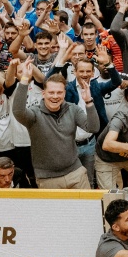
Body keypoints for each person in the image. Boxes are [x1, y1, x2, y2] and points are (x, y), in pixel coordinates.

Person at [13, 59, 100, 188]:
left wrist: (89, 102)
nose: (55, 96)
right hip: (48, 179)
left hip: (76, 173)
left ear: (64, 94)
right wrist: (25, 79)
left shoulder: (73, 109)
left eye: (59, 92)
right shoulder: (34, 114)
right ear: (43, 94)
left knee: (85, 208)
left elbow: (93, 127)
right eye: (51, 92)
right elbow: (18, 111)